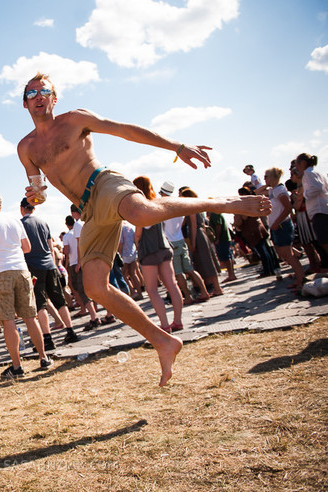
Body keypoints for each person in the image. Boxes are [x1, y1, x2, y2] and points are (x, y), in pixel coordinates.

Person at [17, 72, 270, 385]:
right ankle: (164, 341)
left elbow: (124, 131)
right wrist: (36, 197)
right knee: (95, 286)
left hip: (104, 182)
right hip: (90, 210)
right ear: (25, 104)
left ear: (54, 99)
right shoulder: (26, 147)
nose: (38, 96)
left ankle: (216, 202)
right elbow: (39, 189)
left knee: (142, 213)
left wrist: (176, 146)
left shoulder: (74, 119)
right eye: (31, 93)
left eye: (44, 91)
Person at [0, 191, 52, 378]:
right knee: (30, 316)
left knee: (8, 320)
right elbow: (27, 248)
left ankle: (17, 367)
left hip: (0, 272)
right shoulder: (15, 220)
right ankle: (43, 357)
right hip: (21, 269)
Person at [19, 197, 78, 345]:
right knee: (60, 300)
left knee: (40, 303)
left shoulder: (21, 224)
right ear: (33, 208)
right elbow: (50, 247)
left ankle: (47, 338)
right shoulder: (43, 222)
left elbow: (22, 248)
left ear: (22, 209)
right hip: (49, 265)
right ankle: (70, 331)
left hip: (33, 266)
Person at [132, 177, 183, 333]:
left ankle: (165, 325)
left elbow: (139, 233)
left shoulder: (140, 208)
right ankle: (178, 321)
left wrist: (136, 244)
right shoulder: (157, 203)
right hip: (164, 247)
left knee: (152, 290)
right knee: (172, 285)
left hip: (149, 250)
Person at [158, 181, 209, 304]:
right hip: (180, 239)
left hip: (171, 242)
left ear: (163, 193)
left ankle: (187, 296)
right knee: (190, 269)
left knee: (178, 273)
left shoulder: (165, 206)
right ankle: (204, 291)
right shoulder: (179, 204)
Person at [264, 167, 305, 291]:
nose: (264, 179)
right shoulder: (273, 190)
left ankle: (301, 280)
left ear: (273, 177)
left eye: (266, 176)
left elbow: (288, 208)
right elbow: (257, 191)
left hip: (282, 225)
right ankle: (299, 276)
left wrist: (277, 222)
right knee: (283, 254)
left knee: (288, 255)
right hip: (277, 226)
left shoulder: (280, 190)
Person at [293, 153, 328, 261]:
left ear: (303, 163)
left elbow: (318, 188)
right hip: (321, 208)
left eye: (297, 164)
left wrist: (304, 194)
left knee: (324, 241)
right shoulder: (316, 173)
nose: (296, 167)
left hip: (319, 210)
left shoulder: (308, 174)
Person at [208, 211, 237, 282]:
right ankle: (231, 274)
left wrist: (217, 238)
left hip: (222, 239)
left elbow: (218, 226)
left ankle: (231, 275)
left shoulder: (215, 214)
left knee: (226, 256)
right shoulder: (215, 213)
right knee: (227, 256)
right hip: (224, 238)